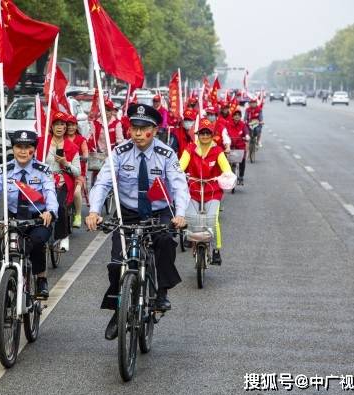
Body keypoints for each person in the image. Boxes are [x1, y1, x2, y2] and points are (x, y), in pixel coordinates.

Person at [86, 104, 189, 341]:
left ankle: (161, 292)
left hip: (159, 210)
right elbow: (103, 183)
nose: (139, 134)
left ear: (155, 129)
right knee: (116, 263)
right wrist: (93, 211)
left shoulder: (167, 154)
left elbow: (178, 185)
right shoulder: (120, 152)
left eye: (145, 129)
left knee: (164, 241)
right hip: (128, 212)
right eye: (134, 128)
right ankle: (118, 311)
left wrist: (180, 214)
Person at [0, 130, 58, 298]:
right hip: (13, 219)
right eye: (19, 147)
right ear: (13, 148)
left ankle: (41, 279)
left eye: (28, 147)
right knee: (6, 251)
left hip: (37, 220)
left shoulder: (43, 170)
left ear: (34, 149)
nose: (23, 151)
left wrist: (50, 212)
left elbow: (50, 193)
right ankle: (5, 299)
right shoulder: (4, 170)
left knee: (38, 242)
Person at [179, 118, 233, 266]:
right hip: (193, 190)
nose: (204, 136)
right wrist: (178, 172)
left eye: (207, 133)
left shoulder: (217, 151)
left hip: (213, 191)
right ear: (197, 134)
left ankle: (216, 250)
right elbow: (181, 165)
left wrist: (227, 174)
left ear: (212, 135)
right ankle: (190, 237)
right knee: (190, 217)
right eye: (202, 133)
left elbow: (226, 168)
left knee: (212, 220)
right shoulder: (190, 149)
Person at [37, 111, 81, 252]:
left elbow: (77, 172)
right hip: (43, 180)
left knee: (60, 206)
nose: (60, 127)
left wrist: (66, 163)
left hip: (62, 182)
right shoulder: (43, 143)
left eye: (62, 124)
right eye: (56, 124)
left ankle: (63, 236)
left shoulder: (72, 147)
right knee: (37, 206)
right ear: (52, 126)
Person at [65, 114, 88, 228]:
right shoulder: (61, 139)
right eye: (68, 125)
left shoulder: (81, 140)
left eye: (72, 125)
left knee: (76, 192)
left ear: (76, 126)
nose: (70, 128)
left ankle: (78, 215)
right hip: (63, 172)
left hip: (78, 173)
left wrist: (83, 157)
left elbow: (86, 154)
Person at [226, 109, 249, 184]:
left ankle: (241, 176)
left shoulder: (242, 124)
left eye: (238, 115)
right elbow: (225, 133)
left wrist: (247, 136)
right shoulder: (228, 124)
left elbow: (246, 132)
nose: (237, 117)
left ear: (240, 117)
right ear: (232, 116)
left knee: (242, 160)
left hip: (240, 146)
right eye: (235, 115)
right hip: (231, 146)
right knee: (227, 161)